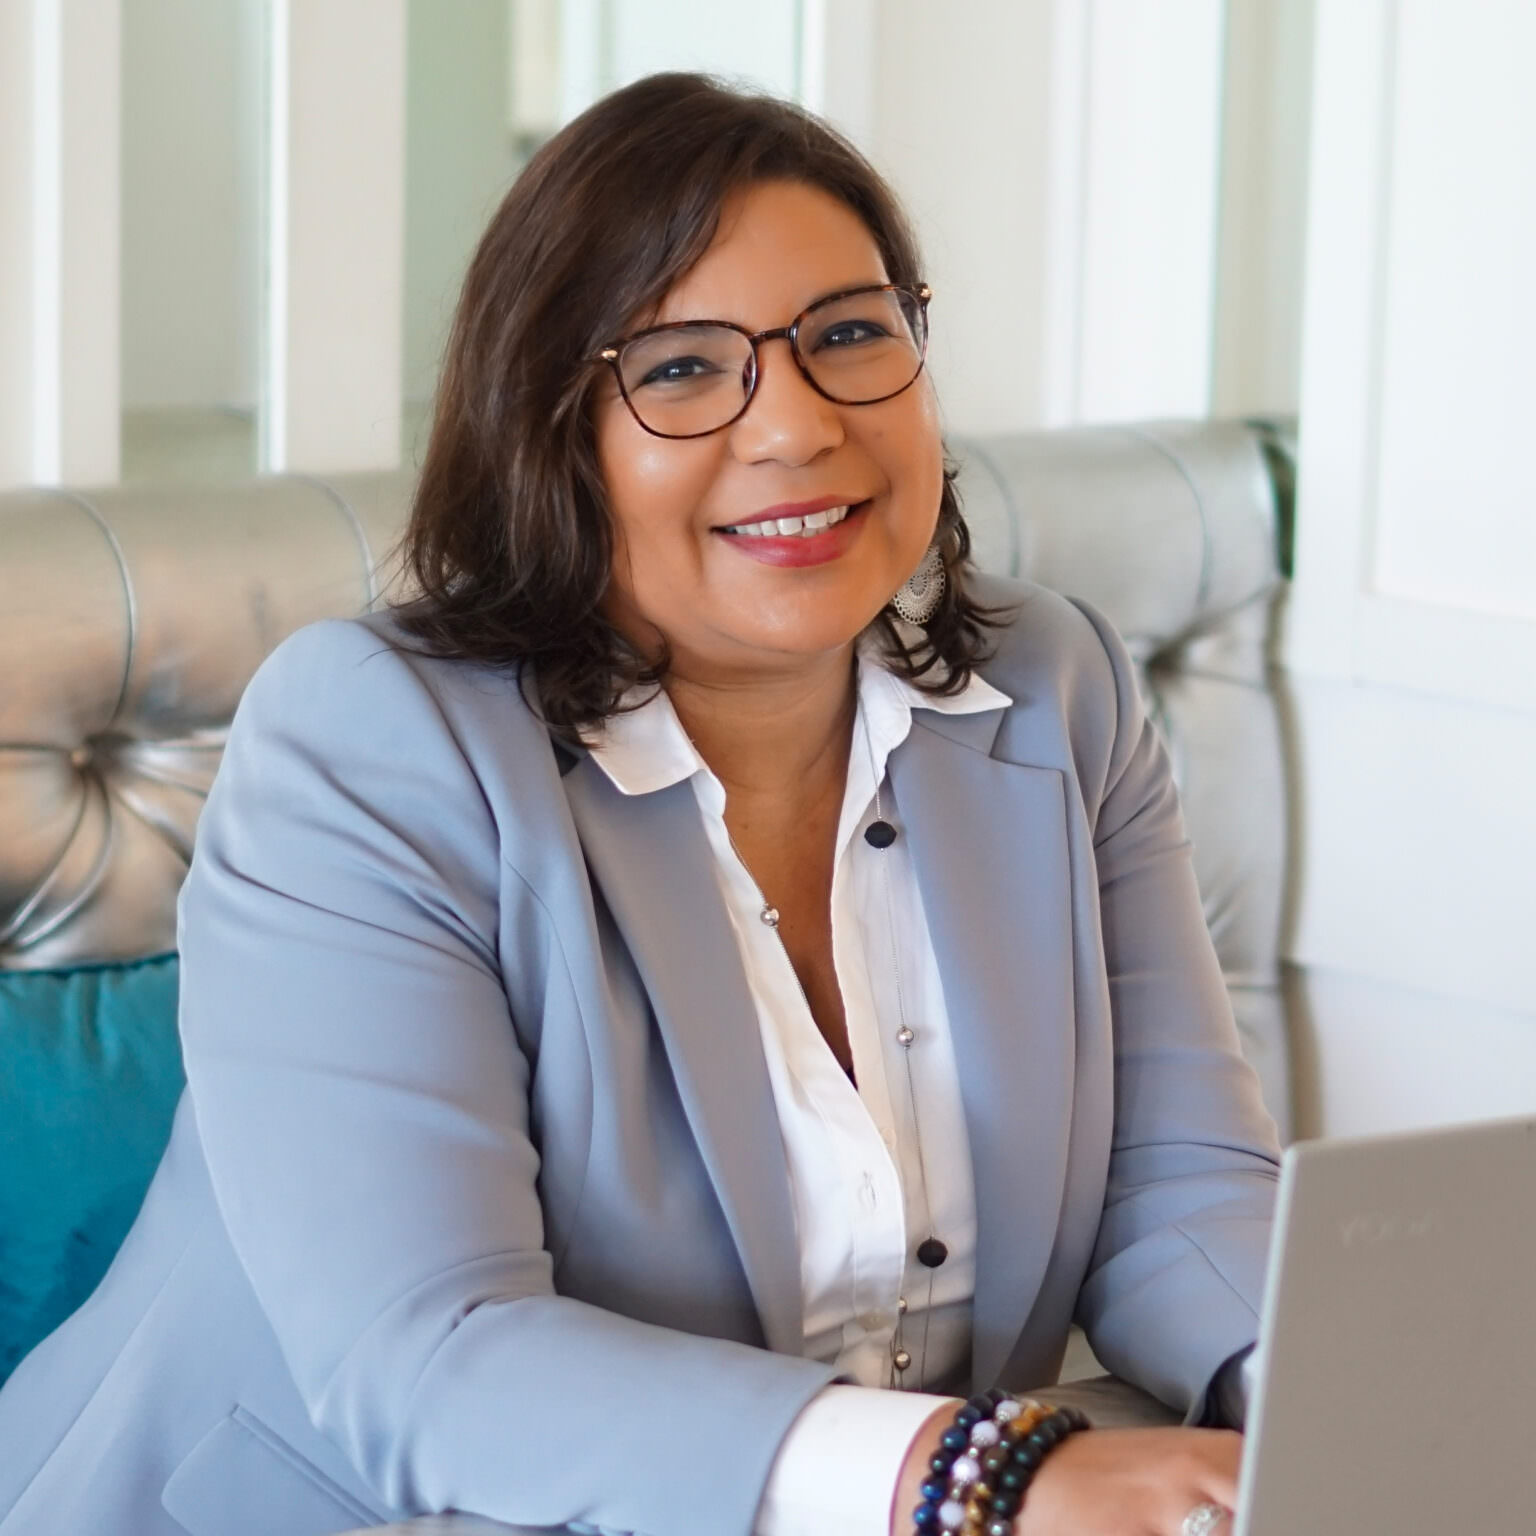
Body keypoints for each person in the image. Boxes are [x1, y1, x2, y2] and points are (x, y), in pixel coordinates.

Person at [0, 73, 1279, 1536]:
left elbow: (1180, 1190)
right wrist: (983, 1478)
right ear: (548, 431)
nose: (795, 425)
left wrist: (1331, 1399)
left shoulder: (1056, 688)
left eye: (849, 334)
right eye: (680, 368)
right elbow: (436, 1361)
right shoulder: (372, 743)